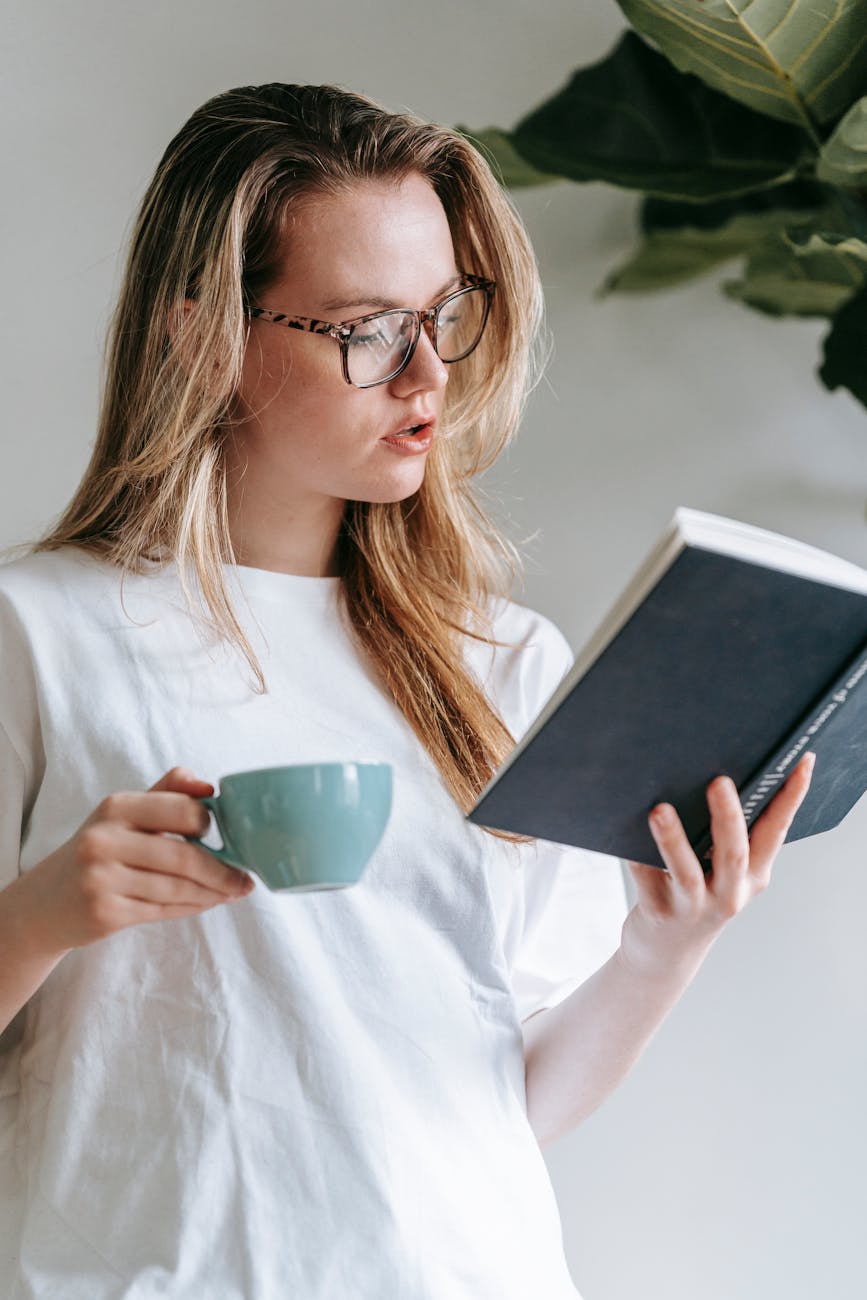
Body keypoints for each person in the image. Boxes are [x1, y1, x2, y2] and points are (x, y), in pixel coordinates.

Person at [0, 83, 814, 1300]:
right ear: (202, 337)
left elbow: (501, 1105)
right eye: (368, 326)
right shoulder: (38, 632)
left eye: (446, 312)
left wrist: (664, 945)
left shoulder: (502, 663)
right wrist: (46, 913)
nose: (428, 371)